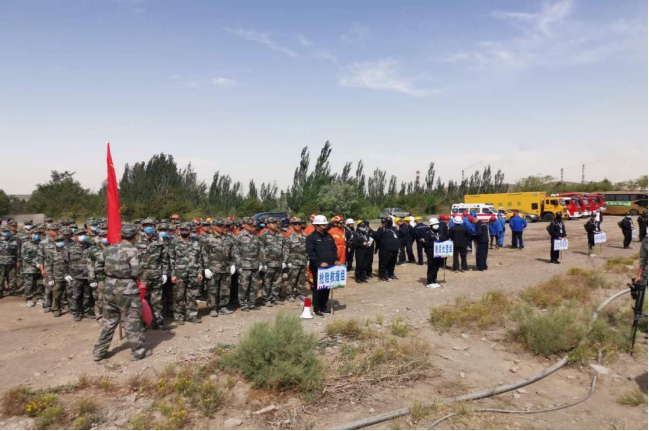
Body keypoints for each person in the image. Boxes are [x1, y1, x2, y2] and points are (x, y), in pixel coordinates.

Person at [93, 224, 151, 361]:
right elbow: (137, 271)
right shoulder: (133, 251)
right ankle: (138, 352)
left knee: (109, 322)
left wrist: (111, 274)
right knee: (132, 321)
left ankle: (99, 352)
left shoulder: (108, 249)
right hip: (127, 289)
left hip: (109, 288)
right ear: (135, 237)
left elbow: (98, 267)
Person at [135, 218, 170, 329]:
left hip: (156, 274)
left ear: (155, 227)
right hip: (142, 275)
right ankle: (143, 323)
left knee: (157, 300)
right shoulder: (136, 239)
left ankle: (157, 322)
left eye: (150, 225)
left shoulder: (160, 239)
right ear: (142, 227)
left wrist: (164, 273)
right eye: (146, 225)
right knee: (142, 300)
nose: (148, 227)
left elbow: (164, 257)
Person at [169, 223, 204, 324]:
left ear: (190, 231)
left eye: (186, 230)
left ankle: (191, 315)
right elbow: (171, 259)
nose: (184, 232)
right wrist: (173, 274)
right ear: (179, 230)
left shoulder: (196, 243)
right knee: (179, 296)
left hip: (193, 273)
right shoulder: (174, 243)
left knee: (192, 296)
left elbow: (199, 258)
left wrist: (200, 272)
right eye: (182, 230)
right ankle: (179, 316)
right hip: (179, 273)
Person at [306, 215, 339, 316]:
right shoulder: (311, 237)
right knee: (318, 287)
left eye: (325, 224)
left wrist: (336, 260)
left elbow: (333, 249)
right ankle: (317, 308)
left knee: (327, 287)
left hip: (329, 266)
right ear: (316, 225)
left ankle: (324, 307)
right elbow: (310, 253)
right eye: (322, 224)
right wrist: (319, 262)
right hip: (318, 267)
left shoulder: (328, 236)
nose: (325, 225)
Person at [202, 218, 236, 317]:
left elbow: (232, 252)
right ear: (213, 226)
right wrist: (206, 268)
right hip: (213, 268)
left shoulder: (228, 238)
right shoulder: (207, 238)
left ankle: (223, 307)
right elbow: (204, 254)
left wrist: (233, 264)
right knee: (212, 289)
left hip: (226, 267)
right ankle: (212, 308)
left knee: (225, 288)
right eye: (219, 226)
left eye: (223, 226)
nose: (222, 227)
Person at [235, 217, 265, 311]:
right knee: (244, 286)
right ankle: (243, 304)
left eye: (252, 224)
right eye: (248, 224)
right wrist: (238, 265)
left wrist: (261, 262)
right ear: (243, 224)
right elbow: (235, 252)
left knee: (254, 286)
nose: (251, 226)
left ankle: (251, 303)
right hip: (244, 265)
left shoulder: (256, 236)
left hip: (255, 264)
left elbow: (261, 249)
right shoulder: (239, 236)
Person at [63, 228, 93, 321]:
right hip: (75, 277)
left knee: (87, 295)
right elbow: (64, 262)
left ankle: (86, 312)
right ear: (75, 236)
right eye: (80, 235)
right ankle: (76, 313)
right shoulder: (68, 247)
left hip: (88, 276)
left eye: (84, 234)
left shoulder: (91, 246)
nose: (82, 236)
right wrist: (66, 274)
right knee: (75, 296)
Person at [259, 217, 287, 306]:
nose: (275, 224)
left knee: (277, 281)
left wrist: (284, 261)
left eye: (275, 223)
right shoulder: (264, 235)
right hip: (268, 262)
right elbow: (261, 249)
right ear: (267, 225)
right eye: (272, 223)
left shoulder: (280, 235)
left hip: (278, 262)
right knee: (267, 281)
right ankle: (266, 299)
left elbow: (284, 248)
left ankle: (275, 298)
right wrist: (262, 263)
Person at [88, 228, 109, 322]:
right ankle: (99, 315)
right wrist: (91, 279)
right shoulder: (93, 250)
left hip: (112, 277)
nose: (105, 238)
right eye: (102, 236)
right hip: (100, 278)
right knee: (100, 298)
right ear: (99, 238)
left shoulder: (114, 248)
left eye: (106, 236)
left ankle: (111, 315)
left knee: (113, 298)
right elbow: (90, 265)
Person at [284, 217, 307, 302]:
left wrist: (308, 258)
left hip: (303, 260)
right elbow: (286, 250)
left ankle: (300, 293)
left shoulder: (305, 236)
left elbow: (307, 249)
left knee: (302, 278)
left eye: (299, 224)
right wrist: (286, 262)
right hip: (293, 261)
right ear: (292, 225)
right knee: (292, 279)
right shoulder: (289, 237)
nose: (297, 225)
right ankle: (290, 294)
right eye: (295, 224)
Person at [44, 234, 67, 317]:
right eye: (58, 241)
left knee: (69, 294)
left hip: (69, 276)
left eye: (61, 240)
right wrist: (50, 278)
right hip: (57, 277)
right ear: (55, 242)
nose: (60, 242)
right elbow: (48, 266)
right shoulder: (51, 253)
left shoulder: (69, 251)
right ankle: (56, 309)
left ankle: (68, 307)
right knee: (56, 294)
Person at [22, 226, 43, 307]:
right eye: (35, 234)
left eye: (38, 234)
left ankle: (39, 297)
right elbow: (25, 257)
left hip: (40, 269)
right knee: (29, 284)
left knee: (40, 284)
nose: (37, 235)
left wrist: (42, 265)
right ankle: (29, 299)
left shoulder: (42, 244)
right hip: (29, 269)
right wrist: (36, 264)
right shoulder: (26, 244)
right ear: (31, 235)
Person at [423, 218, 447, 288]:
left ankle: (434, 280)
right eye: (434, 224)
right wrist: (435, 243)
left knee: (436, 267)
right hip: (431, 253)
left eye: (437, 224)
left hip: (438, 253)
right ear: (431, 226)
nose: (436, 226)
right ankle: (430, 281)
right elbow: (427, 243)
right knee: (431, 267)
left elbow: (442, 240)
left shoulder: (438, 233)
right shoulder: (428, 233)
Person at [0, 226, 21, 298]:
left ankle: (12, 291)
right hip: (1, 263)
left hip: (12, 262)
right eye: (4, 231)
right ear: (1, 232)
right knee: (1, 278)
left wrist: (18, 261)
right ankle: (0, 291)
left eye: (7, 231)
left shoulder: (15, 240)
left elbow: (18, 251)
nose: (6, 233)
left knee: (12, 277)